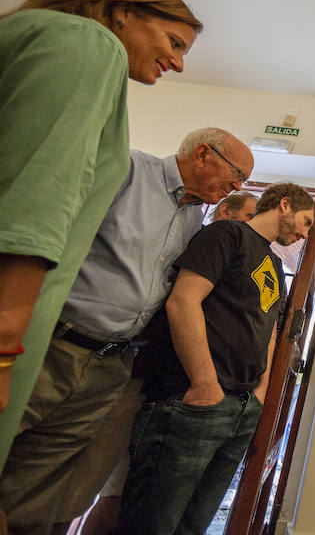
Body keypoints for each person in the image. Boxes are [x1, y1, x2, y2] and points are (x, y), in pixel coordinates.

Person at [0, 0, 201, 475]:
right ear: (122, 11)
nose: (178, 63)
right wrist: (4, 347)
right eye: (174, 42)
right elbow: (32, 209)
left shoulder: (40, 34)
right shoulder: (89, 45)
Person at [0, 128, 252, 535]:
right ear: (203, 155)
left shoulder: (194, 215)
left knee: (37, 485)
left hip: (112, 364)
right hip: (54, 346)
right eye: (237, 174)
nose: (238, 187)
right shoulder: (129, 171)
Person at [110, 183, 315, 535]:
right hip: (192, 401)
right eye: (306, 221)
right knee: (150, 524)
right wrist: (205, 384)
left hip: (241, 406)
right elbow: (183, 301)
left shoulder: (273, 265)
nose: (304, 233)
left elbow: (268, 330)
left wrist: (261, 392)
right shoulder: (226, 234)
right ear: (284, 205)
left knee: (194, 526)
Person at [67, 199, 258, 535]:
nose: (252, 224)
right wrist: (206, 382)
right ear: (226, 213)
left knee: (124, 488)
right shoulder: (212, 242)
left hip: (159, 384)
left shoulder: (223, 253)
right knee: (92, 481)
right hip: (138, 372)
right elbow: (179, 303)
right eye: (248, 216)